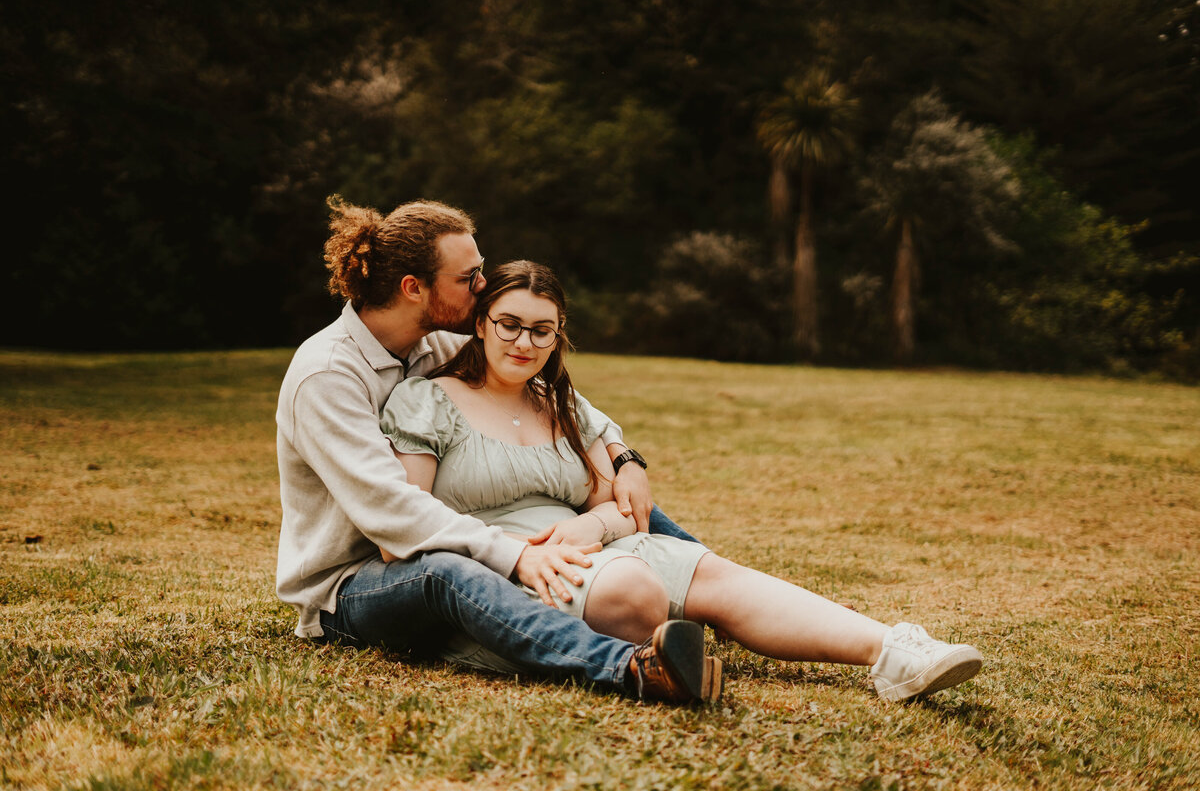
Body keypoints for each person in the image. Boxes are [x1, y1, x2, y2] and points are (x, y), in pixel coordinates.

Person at [380, 259, 984, 702]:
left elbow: (621, 505)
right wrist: (521, 551)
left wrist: (588, 524)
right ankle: (657, 645)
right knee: (636, 589)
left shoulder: (561, 403)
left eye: (543, 330)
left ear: (558, 335)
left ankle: (895, 651)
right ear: (480, 324)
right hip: (508, 570)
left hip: (593, 546)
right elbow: (413, 518)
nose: (524, 342)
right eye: (509, 324)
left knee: (716, 574)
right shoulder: (427, 402)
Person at [276, 197, 720, 704]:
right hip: (355, 586)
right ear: (413, 288)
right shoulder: (327, 375)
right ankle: (631, 669)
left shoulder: (435, 344)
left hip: (430, 545)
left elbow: (561, 400)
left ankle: (717, 591)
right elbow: (394, 515)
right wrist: (514, 556)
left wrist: (623, 457)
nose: (483, 287)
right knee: (448, 573)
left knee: (625, 500)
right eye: (469, 277)